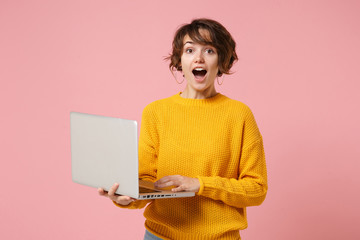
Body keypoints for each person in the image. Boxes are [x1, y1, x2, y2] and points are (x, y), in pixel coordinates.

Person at [98, 18, 268, 240]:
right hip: (160, 236)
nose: (198, 58)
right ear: (180, 60)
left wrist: (200, 184)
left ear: (221, 61)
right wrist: (127, 197)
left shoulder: (239, 115)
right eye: (189, 50)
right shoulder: (156, 112)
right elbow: (148, 181)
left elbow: (256, 189)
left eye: (209, 50)